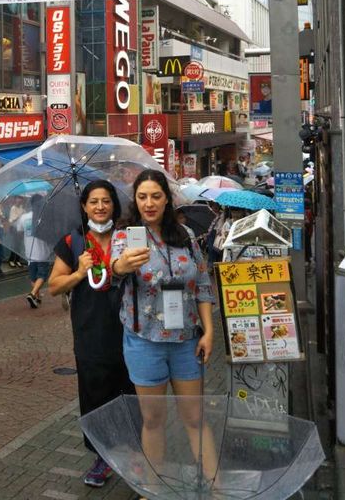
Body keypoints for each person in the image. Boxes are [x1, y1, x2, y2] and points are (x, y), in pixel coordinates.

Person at [111, 169, 217, 485]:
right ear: (136, 201)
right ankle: (152, 487)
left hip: (186, 340)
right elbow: (115, 271)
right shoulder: (125, 236)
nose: (149, 203)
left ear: (167, 199)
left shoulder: (184, 236)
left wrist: (209, 331)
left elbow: (201, 283)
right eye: (142, 197)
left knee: (195, 418)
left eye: (156, 196)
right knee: (153, 419)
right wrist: (121, 266)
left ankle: (216, 485)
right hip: (145, 341)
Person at [49, 180, 134, 489]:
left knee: (129, 389)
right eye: (94, 201)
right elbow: (54, 285)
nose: (100, 207)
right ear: (84, 207)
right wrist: (77, 272)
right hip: (90, 329)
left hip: (130, 326)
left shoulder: (127, 238)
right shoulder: (73, 242)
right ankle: (102, 455)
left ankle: (131, 450)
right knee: (95, 392)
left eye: (106, 201)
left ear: (114, 205)